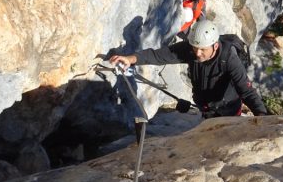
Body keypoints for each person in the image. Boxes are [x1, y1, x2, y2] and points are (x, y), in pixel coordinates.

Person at [109, 20, 268, 118]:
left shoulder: (229, 58)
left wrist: (262, 116)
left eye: (202, 49)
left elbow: (247, 91)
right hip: (206, 108)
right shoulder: (191, 49)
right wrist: (130, 59)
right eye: (194, 48)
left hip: (229, 110)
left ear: (215, 46)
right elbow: (158, 56)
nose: (197, 53)